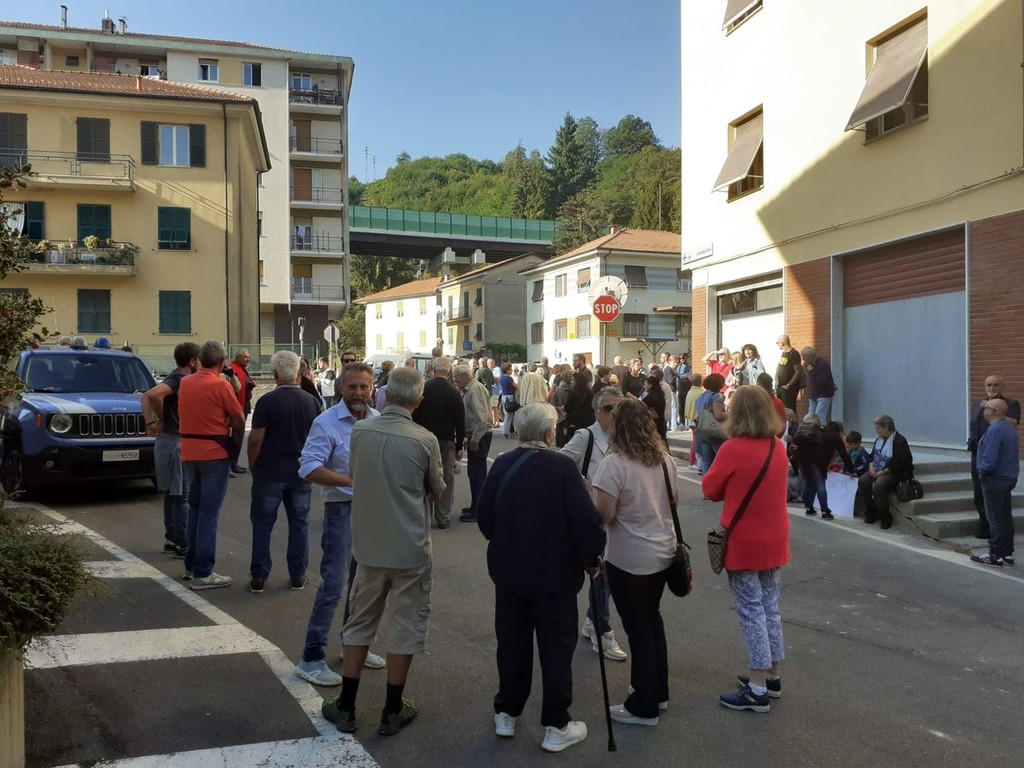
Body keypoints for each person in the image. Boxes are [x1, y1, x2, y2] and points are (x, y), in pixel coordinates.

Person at [322, 367, 445, 737]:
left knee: (359, 622)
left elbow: (356, 474)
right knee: (405, 625)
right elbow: (436, 489)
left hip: (370, 544)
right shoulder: (425, 439)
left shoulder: (361, 431)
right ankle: (393, 708)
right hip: (410, 546)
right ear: (418, 401)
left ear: (385, 396)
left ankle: (346, 705)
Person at [477, 402, 606, 753]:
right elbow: (586, 522)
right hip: (555, 575)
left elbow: (485, 516)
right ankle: (556, 723)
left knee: (512, 642)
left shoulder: (503, 463)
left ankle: (506, 711)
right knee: (556, 647)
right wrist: (591, 557)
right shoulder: (563, 468)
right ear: (549, 434)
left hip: (510, 572)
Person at [294, 362, 384, 688]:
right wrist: (351, 481)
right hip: (341, 511)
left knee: (364, 585)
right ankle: (310, 658)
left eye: (364, 386)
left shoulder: (377, 420)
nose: (359, 393)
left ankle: (353, 646)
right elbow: (308, 467)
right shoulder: (326, 422)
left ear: (372, 388)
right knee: (333, 586)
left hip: (371, 512)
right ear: (341, 388)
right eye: (352, 387)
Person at [701, 385, 790, 713]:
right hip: (775, 537)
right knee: (770, 606)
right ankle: (771, 676)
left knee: (750, 609)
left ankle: (757, 687)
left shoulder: (732, 448)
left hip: (743, 540)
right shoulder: (778, 446)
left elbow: (710, 488)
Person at [592, 398, 678, 726]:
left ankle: (644, 704)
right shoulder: (665, 460)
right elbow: (674, 501)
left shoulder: (614, 464)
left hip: (629, 556)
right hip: (663, 551)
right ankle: (658, 691)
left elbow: (606, 514)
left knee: (638, 628)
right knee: (652, 621)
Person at [560, 387, 627, 663]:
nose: (614, 413)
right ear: (597, 412)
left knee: (607, 575)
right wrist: (581, 482)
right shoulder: (585, 436)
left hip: (619, 516)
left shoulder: (626, 437)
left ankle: (592, 621)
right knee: (602, 574)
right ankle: (602, 629)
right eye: (608, 408)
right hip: (593, 515)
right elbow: (561, 461)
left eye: (619, 408)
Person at [246, 351, 321, 592]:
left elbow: (255, 439)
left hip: (269, 471)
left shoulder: (266, 402)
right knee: (299, 524)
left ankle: (259, 575)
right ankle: (297, 574)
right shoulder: (312, 402)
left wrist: (253, 464)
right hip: (301, 472)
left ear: (274, 374)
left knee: (262, 524)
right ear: (299, 373)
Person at [178, 340, 245, 590]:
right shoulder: (221, 385)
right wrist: (234, 448)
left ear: (200, 360)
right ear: (222, 361)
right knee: (209, 513)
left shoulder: (185, 382)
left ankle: (191, 565)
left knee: (195, 509)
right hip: (214, 453)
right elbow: (238, 418)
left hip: (189, 451)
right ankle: (203, 572)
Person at [142, 341, 200, 559]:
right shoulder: (180, 379)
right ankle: (182, 542)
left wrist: (151, 422)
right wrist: (161, 418)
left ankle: (171, 538)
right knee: (183, 494)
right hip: (176, 440)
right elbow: (154, 396)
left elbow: (145, 396)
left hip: (165, 441)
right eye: (199, 360)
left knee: (172, 493)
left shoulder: (171, 376)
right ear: (192, 361)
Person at [412, 356, 465, 529]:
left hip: (424, 439)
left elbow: (415, 414)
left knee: (425, 477)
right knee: (446, 478)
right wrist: (459, 446)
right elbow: (460, 421)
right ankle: (443, 516)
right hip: (446, 440)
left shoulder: (424, 389)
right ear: (449, 371)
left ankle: (425, 514)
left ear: (433, 370)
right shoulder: (454, 392)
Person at [967, 376, 1021, 539]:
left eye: (996, 385)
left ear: (1002, 386)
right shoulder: (978, 404)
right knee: (979, 493)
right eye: (989, 385)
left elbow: (1013, 422)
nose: (992, 388)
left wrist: (994, 410)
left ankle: (997, 534)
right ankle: (985, 526)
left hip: (996, 457)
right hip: (978, 453)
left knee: (997, 501)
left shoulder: (1010, 404)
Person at [970, 399, 1019, 567]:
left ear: (992, 411)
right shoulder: (1009, 428)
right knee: (1005, 515)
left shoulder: (995, 430)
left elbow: (989, 458)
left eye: (986, 408)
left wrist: (982, 472)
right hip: (1008, 477)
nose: (983, 411)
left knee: (995, 517)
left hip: (995, 479)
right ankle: (1007, 553)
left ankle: (995, 554)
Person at [791, 413, 853, 520]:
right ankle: (825, 511)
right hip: (818, 463)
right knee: (820, 485)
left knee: (806, 483)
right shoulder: (832, 435)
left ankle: (809, 508)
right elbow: (843, 454)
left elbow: (797, 449)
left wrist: (796, 467)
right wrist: (851, 470)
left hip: (802, 460)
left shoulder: (808, 434)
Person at [856, 414, 913, 530]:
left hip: (893, 472)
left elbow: (898, 463)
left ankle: (885, 515)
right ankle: (871, 510)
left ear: (886, 427)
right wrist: (871, 466)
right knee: (863, 480)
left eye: (878, 428)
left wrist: (881, 473)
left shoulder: (899, 441)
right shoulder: (879, 441)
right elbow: (872, 457)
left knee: (880, 484)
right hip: (878, 469)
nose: (876, 431)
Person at [454, 363, 492, 523]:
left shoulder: (475, 389)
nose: (455, 380)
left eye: (456, 377)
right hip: (477, 434)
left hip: (480, 435)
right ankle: (475, 505)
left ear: (464, 376)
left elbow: (481, 417)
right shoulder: (470, 389)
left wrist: (475, 439)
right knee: (474, 473)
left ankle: (478, 509)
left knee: (477, 474)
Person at [227, 349, 255, 474]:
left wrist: (250, 385)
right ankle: (231, 463)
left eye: (248, 357)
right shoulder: (233, 369)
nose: (248, 359)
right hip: (238, 407)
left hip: (244, 405)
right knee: (235, 436)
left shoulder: (242, 369)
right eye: (245, 357)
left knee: (238, 436)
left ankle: (233, 463)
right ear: (238, 358)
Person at [694, 373, 727, 472]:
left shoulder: (700, 397)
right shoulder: (715, 397)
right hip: (713, 432)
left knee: (706, 461)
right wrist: (731, 414)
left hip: (702, 430)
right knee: (720, 460)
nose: (723, 385)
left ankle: (705, 480)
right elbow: (718, 415)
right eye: (722, 383)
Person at [558, 371, 595, 448]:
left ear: (577, 381)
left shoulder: (573, 393)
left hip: (574, 422)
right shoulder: (590, 392)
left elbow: (568, 408)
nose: (571, 381)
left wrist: (562, 409)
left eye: (573, 379)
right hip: (588, 422)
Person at [802, 347, 837, 423]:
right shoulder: (808, 364)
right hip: (814, 393)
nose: (803, 359)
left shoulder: (823, 364)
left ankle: (821, 429)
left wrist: (812, 371)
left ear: (810, 356)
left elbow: (822, 381)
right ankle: (810, 429)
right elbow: (810, 380)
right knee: (810, 416)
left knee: (819, 415)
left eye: (804, 357)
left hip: (823, 394)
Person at [774, 335, 802, 412]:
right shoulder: (784, 353)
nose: (777, 344)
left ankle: (795, 421)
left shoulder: (793, 353)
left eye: (777, 343)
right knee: (782, 409)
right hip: (781, 386)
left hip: (789, 387)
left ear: (782, 343)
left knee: (791, 409)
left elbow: (798, 371)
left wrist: (789, 385)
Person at [640, 374, 668, 441]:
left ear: (650, 385)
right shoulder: (661, 395)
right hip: (661, 421)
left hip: (652, 423)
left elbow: (641, 405)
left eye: (645, 384)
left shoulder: (650, 397)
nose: (644, 386)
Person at [498, 362, 518, 438]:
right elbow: (515, 387)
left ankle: (506, 431)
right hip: (509, 396)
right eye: (510, 369)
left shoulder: (502, 378)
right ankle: (506, 431)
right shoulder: (509, 378)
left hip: (503, 396)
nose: (512, 370)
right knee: (509, 415)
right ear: (507, 370)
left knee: (506, 414)